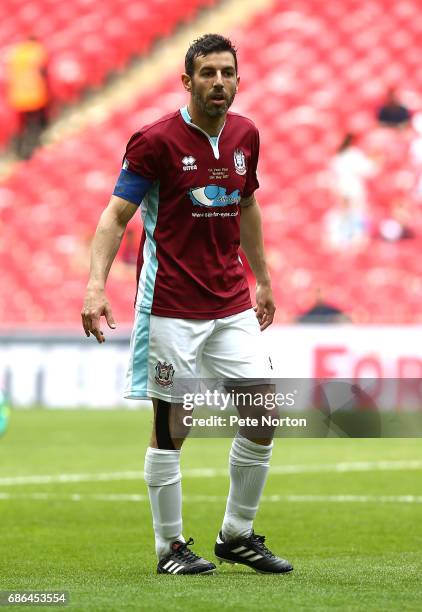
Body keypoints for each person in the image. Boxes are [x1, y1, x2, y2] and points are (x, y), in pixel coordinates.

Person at [81, 34, 293, 576]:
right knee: (175, 422)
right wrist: (95, 285)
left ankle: (236, 534)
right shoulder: (154, 141)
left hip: (232, 302)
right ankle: (170, 547)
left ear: (238, 80)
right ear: (187, 81)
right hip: (171, 305)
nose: (218, 82)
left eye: (227, 73)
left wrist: (263, 279)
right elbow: (114, 217)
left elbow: (247, 207)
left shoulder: (247, 134)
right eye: (207, 74)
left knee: (263, 412)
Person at [6, 35, 49, 159]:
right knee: (34, 125)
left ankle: (19, 151)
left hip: (18, 96)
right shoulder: (36, 51)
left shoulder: (16, 53)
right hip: (34, 94)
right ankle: (31, 151)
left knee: (23, 126)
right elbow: (43, 72)